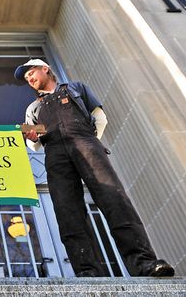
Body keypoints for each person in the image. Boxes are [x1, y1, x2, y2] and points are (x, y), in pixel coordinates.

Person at [14, 58, 174, 278]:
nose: (29, 79)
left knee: (115, 201)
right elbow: (34, 144)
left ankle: (144, 264)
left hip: (87, 144)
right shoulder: (33, 108)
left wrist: (92, 143)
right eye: (26, 78)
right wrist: (30, 137)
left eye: (31, 73)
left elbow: (99, 117)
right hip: (55, 156)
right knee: (67, 213)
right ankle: (88, 273)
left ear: (45, 69)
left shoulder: (76, 88)